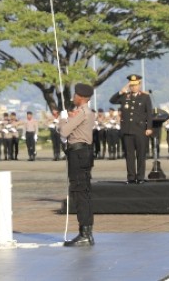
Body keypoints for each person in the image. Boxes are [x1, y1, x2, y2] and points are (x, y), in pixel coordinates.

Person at [58, 83, 95, 247]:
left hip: (78, 154)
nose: (73, 97)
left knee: (79, 192)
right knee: (83, 192)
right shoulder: (88, 112)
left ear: (80, 97)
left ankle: (85, 234)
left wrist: (63, 119)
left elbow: (64, 132)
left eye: (75, 95)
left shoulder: (82, 113)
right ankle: (86, 232)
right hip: (83, 153)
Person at [109, 74, 153, 184]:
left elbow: (149, 114)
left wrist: (149, 127)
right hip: (127, 130)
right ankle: (131, 177)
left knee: (141, 154)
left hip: (140, 130)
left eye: (136, 85)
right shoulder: (125, 96)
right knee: (129, 155)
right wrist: (121, 91)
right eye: (131, 85)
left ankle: (141, 177)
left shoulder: (145, 97)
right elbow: (112, 100)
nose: (134, 87)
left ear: (140, 84)